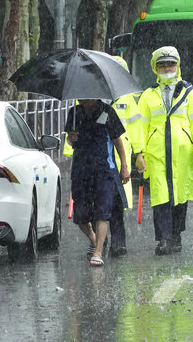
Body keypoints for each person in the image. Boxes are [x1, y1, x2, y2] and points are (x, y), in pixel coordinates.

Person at [134, 46, 193, 256]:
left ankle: (176, 235)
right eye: (162, 65)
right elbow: (140, 125)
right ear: (155, 68)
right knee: (161, 197)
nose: (167, 68)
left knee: (180, 197)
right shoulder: (148, 95)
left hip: (182, 154)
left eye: (171, 64)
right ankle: (164, 239)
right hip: (156, 154)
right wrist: (139, 153)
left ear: (178, 65)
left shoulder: (189, 92)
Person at [65, 98, 130, 266]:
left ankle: (99, 252)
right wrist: (71, 138)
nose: (81, 99)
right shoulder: (74, 113)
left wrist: (124, 166)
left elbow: (117, 140)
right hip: (81, 170)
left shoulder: (108, 112)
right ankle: (94, 241)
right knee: (80, 215)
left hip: (104, 170)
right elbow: (70, 141)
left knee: (103, 212)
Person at [107, 55, 143, 257]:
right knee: (98, 201)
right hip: (98, 156)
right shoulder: (91, 96)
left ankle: (118, 243)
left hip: (120, 157)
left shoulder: (128, 100)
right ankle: (98, 242)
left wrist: (139, 153)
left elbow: (136, 128)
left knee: (116, 202)